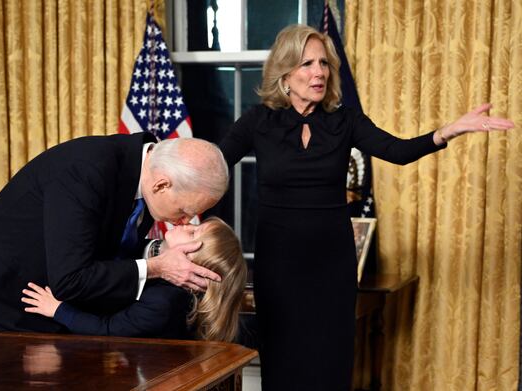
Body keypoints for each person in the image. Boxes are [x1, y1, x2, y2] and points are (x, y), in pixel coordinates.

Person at [219, 24, 515, 390]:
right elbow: (215, 165)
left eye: (324, 63)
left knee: (330, 365)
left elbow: (398, 151)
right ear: (285, 73)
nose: (319, 72)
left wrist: (447, 132)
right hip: (278, 266)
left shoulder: (344, 121)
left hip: (332, 266)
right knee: (282, 366)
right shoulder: (257, 121)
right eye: (307, 64)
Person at [0, 133, 229, 333]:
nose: (184, 221)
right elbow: (71, 279)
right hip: (5, 291)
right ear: (161, 185)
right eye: (183, 210)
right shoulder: (87, 170)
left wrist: (159, 253)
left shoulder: (144, 171)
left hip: (53, 290)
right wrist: (156, 268)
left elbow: (106, 242)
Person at [21, 217, 247, 342]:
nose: (187, 223)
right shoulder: (171, 292)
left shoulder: (164, 301)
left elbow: (108, 330)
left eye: (193, 233)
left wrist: (58, 309)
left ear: (191, 261)